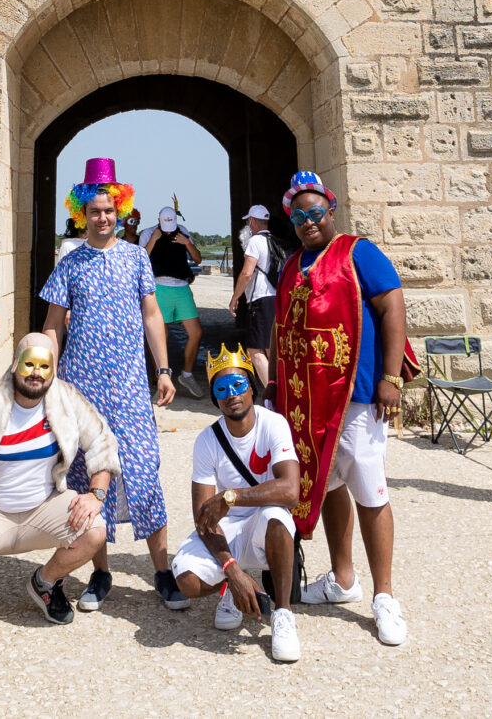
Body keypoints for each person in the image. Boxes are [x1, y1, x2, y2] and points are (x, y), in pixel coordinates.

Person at [272, 170, 410, 647]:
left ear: (330, 212)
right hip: (308, 401)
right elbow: (282, 332)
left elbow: (392, 306)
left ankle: (385, 596)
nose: (307, 221)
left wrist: (391, 379)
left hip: (356, 393)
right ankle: (344, 578)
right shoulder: (291, 265)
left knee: (369, 488)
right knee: (329, 484)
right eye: (298, 215)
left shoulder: (357, 252)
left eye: (315, 213)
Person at [39, 156, 182, 611]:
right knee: (84, 478)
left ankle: (162, 571)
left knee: (143, 474)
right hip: (81, 390)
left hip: (130, 389)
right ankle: (101, 574)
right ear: (83, 213)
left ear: (120, 212)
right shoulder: (69, 262)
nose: (102, 218)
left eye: (109, 211)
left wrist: (163, 368)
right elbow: (52, 326)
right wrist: (47, 377)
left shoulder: (137, 256)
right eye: (95, 211)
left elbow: (152, 314)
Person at [0, 332, 120, 630]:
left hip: (45, 507)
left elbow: (103, 442)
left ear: (53, 370)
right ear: (15, 364)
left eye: (44, 366)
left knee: (95, 531)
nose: (36, 374)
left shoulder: (65, 398)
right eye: (29, 364)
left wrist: (96, 494)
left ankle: (46, 583)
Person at [167, 346, 302, 664]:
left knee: (276, 516)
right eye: (222, 388)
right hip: (228, 529)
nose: (232, 395)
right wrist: (233, 572)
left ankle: (282, 614)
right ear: (214, 397)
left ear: (252, 387)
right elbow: (204, 518)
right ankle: (235, 586)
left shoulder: (273, 424)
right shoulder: (207, 440)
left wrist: (232, 496)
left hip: (262, 522)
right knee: (186, 580)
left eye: (239, 385)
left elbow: (291, 491)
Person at [147, 206, 207, 399]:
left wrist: (187, 242)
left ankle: (187, 375)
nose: (168, 229)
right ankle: (160, 379)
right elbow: (139, 260)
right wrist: (153, 240)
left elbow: (198, 259)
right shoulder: (149, 232)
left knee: (196, 332)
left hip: (182, 288)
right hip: (160, 288)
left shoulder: (183, 232)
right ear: (158, 219)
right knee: (159, 335)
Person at [231, 204, 277, 375]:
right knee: (271, 350)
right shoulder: (274, 240)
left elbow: (247, 273)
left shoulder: (255, 241)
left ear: (252, 221)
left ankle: (273, 397)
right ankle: (281, 393)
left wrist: (235, 297)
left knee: (255, 351)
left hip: (260, 299)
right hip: (276, 297)